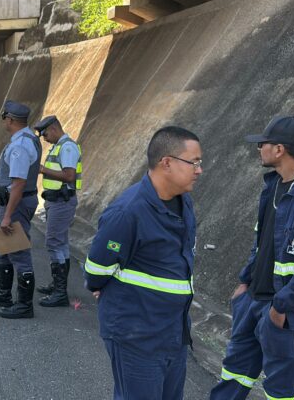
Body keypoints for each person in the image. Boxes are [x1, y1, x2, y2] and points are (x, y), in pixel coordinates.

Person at [211, 116, 294, 400]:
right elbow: (260, 241)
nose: (258, 148)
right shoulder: (272, 186)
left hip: (282, 310)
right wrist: (244, 284)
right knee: (235, 372)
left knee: (279, 387)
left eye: (263, 143)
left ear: (279, 150)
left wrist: (280, 308)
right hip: (253, 298)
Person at [84, 126, 202, 400]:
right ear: (167, 163)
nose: (199, 170)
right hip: (137, 335)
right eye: (194, 162)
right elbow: (96, 270)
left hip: (173, 331)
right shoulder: (128, 212)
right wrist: (104, 287)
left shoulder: (184, 203)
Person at [0, 100, 42, 319]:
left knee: (18, 252)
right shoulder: (28, 139)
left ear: (9, 119)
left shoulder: (21, 145)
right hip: (14, 202)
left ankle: (24, 305)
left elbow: (19, 183)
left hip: (16, 204)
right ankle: (3, 294)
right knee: (4, 248)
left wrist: (8, 216)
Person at [32, 115, 81, 307]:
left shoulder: (67, 147)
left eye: (45, 134)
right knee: (61, 243)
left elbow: (69, 175)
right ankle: (58, 286)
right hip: (57, 201)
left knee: (53, 242)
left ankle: (60, 292)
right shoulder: (60, 146)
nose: (44, 138)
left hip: (62, 201)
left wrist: (43, 169)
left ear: (53, 128)